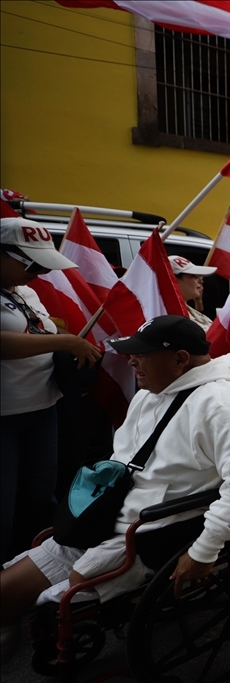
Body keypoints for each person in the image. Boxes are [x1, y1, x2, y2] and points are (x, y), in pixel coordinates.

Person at [0, 315, 230, 645]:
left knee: (54, 600)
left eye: (140, 354)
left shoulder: (224, 405)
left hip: (153, 530)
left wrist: (204, 549)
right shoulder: (149, 393)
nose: (130, 361)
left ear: (180, 359)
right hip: (106, 515)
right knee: (6, 591)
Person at [1, 218, 103, 563]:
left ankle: (30, 568)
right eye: (31, 263)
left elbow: (41, 337)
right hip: (5, 416)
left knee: (40, 498)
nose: (39, 272)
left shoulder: (26, 292)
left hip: (43, 409)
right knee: (4, 504)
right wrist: (69, 341)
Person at [168, 256, 216, 331]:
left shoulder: (186, 310)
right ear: (174, 280)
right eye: (193, 276)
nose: (200, 281)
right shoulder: (168, 316)